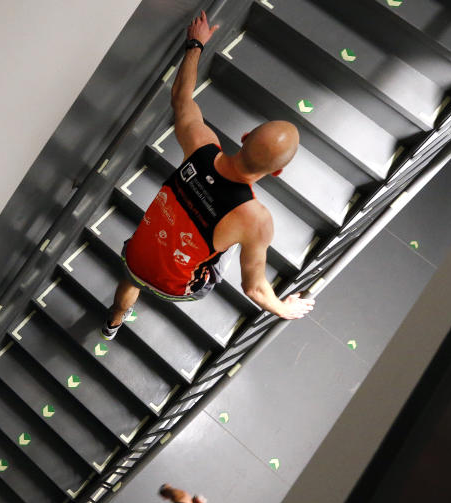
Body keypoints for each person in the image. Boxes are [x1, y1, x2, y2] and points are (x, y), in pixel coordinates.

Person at [101, 11, 314, 341]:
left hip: (138, 254)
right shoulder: (255, 219)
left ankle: (114, 320)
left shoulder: (201, 145)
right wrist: (283, 309)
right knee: (226, 249)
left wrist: (196, 43)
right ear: (278, 172)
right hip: (177, 286)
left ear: (244, 137)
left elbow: (181, 99)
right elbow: (254, 288)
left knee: (133, 277)